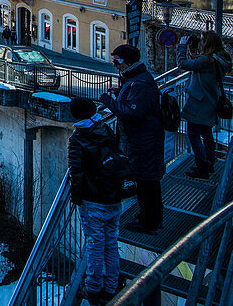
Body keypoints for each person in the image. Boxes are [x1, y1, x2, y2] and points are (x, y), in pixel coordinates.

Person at [100, 43, 165, 233]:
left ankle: (150, 222)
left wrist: (110, 102)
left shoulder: (140, 83)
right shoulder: (135, 80)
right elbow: (134, 105)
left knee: (147, 181)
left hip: (144, 140)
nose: (115, 65)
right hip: (142, 139)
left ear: (128, 62)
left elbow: (134, 114)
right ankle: (148, 216)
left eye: (117, 61)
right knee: (145, 180)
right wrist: (120, 94)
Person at [68, 97, 125, 304]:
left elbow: (77, 171)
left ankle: (93, 288)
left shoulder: (78, 139)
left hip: (93, 200)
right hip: (113, 196)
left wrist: (77, 195)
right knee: (111, 243)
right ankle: (111, 286)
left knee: (95, 245)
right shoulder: (105, 130)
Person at [177, 31, 232, 179]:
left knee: (193, 135)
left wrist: (182, 46)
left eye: (202, 41)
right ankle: (210, 161)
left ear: (207, 43)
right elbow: (198, 63)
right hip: (211, 102)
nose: (200, 43)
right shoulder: (219, 59)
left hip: (199, 103)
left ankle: (202, 165)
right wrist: (193, 52)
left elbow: (183, 64)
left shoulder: (207, 61)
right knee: (206, 133)